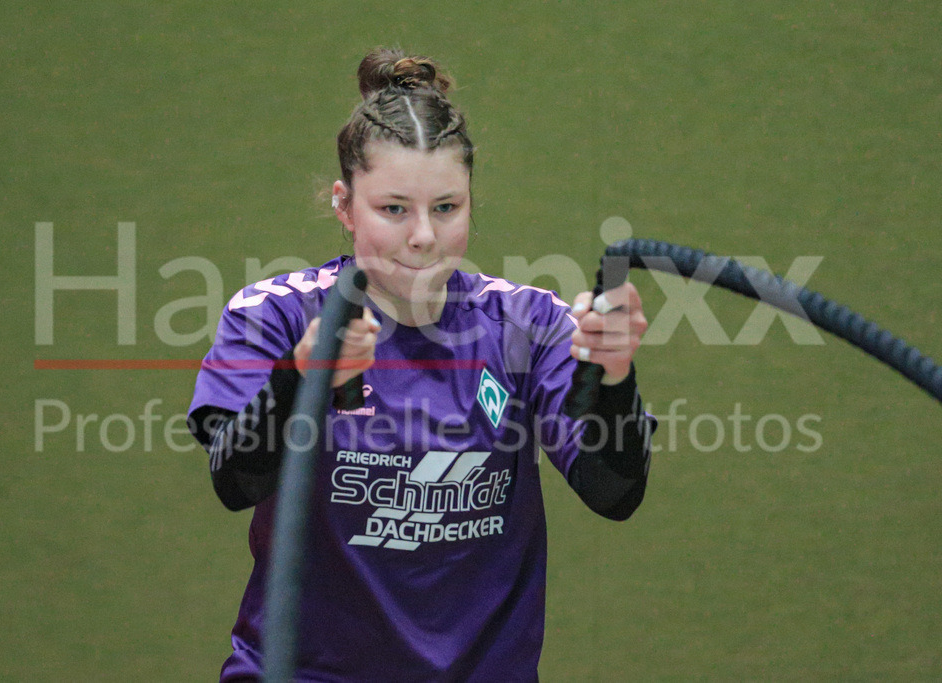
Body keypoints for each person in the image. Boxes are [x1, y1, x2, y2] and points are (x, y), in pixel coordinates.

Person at [188, 48, 654, 682]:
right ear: (344, 205)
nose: (424, 237)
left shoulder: (529, 325)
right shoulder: (276, 315)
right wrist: (300, 379)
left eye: (446, 207)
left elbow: (612, 492)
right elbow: (233, 481)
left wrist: (616, 378)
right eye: (394, 209)